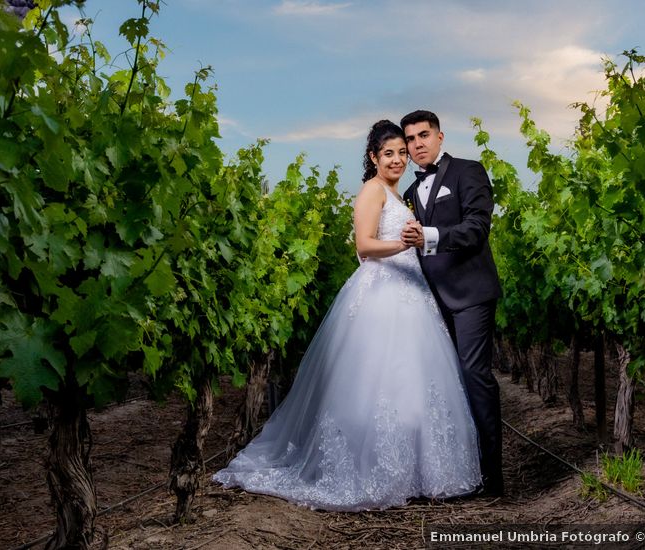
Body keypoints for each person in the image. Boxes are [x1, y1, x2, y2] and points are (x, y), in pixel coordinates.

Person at [212, 121, 481, 511]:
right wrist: (403, 243)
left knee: (412, 381)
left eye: (402, 153)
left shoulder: (397, 194)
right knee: (377, 381)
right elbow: (363, 244)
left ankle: (417, 472)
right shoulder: (373, 190)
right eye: (389, 153)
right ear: (373, 157)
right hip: (383, 290)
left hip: (409, 290)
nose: (398, 159)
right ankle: (372, 469)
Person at [399, 110, 503, 497]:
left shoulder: (468, 171)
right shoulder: (409, 194)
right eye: (410, 139)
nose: (417, 144)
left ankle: (492, 478)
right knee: (442, 384)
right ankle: (455, 472)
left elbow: (477, 228)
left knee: (475, 377)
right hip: (428, 301)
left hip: (471, 295)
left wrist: (426, 235)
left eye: (424, 135)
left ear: (441, 136)